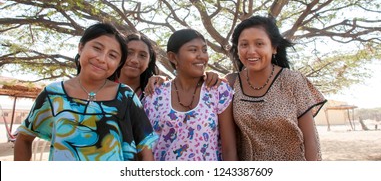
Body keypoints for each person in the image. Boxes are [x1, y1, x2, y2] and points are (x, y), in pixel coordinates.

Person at [14, 23, 157, 161]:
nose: (101, 59)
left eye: (112, 55)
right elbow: (24, 138)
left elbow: (145, 151)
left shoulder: (125, 96)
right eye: (97, 48)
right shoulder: (52, 94)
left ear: (118, 64)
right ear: (81, 47)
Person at [226, 15, 327, 161]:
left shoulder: (293, 80)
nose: (251, 51)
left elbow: (311, 140)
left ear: (274, 48)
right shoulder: (230, 83)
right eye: (244, 44)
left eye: (259, 44)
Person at [142, 29, 238, 161]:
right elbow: (146, 148)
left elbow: (229, 149)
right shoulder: (154, 94)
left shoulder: (218, 90)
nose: (202, 56)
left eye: (204, 50)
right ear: (173, 57)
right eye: (193, 50)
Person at [118, 33, 221, 99]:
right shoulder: (103, 85)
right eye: (129, 53)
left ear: (149, 61)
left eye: (142, 55)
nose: (135, 60)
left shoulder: (153, 92)